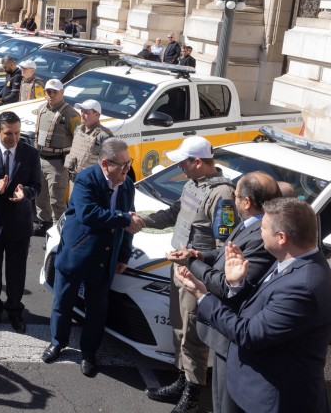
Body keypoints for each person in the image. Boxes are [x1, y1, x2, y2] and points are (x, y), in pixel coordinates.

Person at [179, 198, 331, 413]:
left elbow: (249, 335)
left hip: (272, 399)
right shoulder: (292, 261)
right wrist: (237, 283)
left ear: (281, 237)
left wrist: (201, 295)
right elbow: (265, 303)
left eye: (263, 228)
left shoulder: (303, 286)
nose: (259, 232)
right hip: (254, 386)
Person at [141, 136, 237, 412]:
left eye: (183, 162)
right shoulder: (192, 184)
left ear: (197, 162)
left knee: (193, 333)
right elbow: (174, 213)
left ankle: (193, 393)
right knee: (179, 327)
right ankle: (182, 379)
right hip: (179, 268)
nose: (179, 167)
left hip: (197, 275)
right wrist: (142, 220)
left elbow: (224, 245)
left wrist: (197, 263)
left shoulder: (222, 195)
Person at [171, 171, 280, 413]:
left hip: (229, 334)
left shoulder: (262, 236)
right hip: (220, 331)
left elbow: (227, 284)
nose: (233, 197)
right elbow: (223, 257)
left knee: (225, 403)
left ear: (247, 202)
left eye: (236, 194)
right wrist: (199, 255)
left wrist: (190, 263)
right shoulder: (248, 223)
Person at [42, 138, 144, 375]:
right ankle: (58, 342)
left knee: (97, 310)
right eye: (123, 165)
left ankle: (89, 354)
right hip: (77, 253)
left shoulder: (127, 184)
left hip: (104, 258)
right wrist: (125, 218)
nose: (128, 169)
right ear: (106, 163)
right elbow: (89, 214)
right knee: (63, 302)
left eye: (129, 163)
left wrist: (124, 254)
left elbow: (128, 223)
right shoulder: (86, 179)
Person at [0, 111, 42, 334]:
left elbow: (37, 186)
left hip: (19, 224)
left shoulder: (30, 154)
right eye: (9, 134)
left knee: (16, 274)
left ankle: (14, 312)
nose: (14, 138)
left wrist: (26, 193)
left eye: (18, 133)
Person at [32, 79, 80, 236]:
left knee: (57, 199)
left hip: (58, 163)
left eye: (55, 92)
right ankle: (43, 223)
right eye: (48, 91)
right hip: (40, 159)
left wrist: (71, 163)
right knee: (40, 195)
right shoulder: (41, 109)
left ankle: (58, 230)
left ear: (62, 93)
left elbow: (78, 140)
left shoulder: (71, 114)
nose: (51, 95)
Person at [65, 99, 114, 187]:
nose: (82, 115)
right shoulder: (78, 129)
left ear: (97, 115)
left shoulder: (104, 135)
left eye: (86, 113)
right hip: (74, 180)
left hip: (91, 183)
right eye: (82, 111)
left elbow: (111, 162)